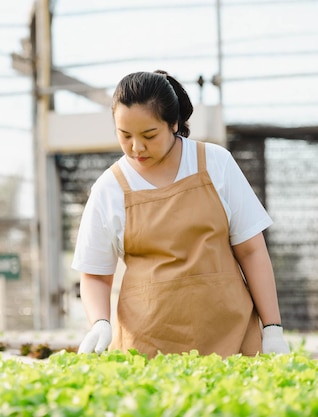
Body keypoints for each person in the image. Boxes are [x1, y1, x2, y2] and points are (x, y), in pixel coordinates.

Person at [72, 70, 289, 358]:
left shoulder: (216, 163)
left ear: (173, 123)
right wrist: (100, 322)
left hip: (231, 340)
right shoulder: (108, 188)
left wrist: (272, 328)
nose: (136, 147)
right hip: (147, 348)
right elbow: (96, 275)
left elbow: (251, 251)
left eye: (149, 135)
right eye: (125, 136)